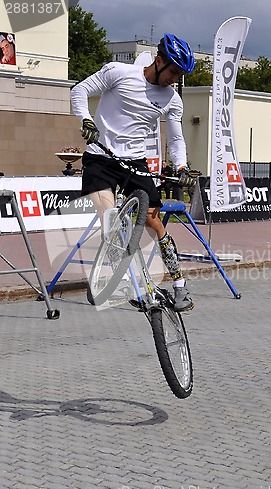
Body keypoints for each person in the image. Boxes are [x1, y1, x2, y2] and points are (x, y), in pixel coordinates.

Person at [71, 33, 195, 312]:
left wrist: (183, 167)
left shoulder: (172, 100)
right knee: (110, 217)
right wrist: (86, 120)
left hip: (134, 162)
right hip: (101, 157)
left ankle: (180, 286)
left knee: (154, 222)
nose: (175, 78)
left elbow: (176, 139)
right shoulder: (119, 72)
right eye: (174, 71)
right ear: (159, 61)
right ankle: (122, 279)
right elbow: (78, 91)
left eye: (180, 75)